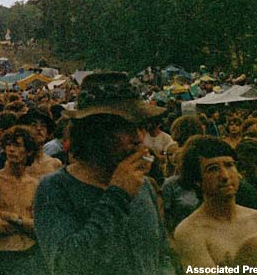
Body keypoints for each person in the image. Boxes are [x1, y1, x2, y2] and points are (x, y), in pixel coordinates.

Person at [33, 72, 174, 275]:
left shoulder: (143, 186)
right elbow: (67, 266)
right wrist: (118, 195)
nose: (139, 137)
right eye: (125, 128)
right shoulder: (54, 189)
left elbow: (161, 255)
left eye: (141, 127)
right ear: (94, 132)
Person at [174, 137, 257, 269]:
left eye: (229, 165)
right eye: (213, 169)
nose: (225, 176)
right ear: (197, 180)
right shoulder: (190, 232)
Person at [0, 126, 46, 275]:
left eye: (17, 145)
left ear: (29, 151)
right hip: (4, 256)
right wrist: (27, 223)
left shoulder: (35, 185)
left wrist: (12, 217)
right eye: (8, 145)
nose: (11, 149)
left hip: (32, 255)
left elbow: (41, 229)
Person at [19, 109, 61, 179]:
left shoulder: (55, 163)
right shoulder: (17, 163)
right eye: (33, 125)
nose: (39, 128)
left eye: (43, 125)